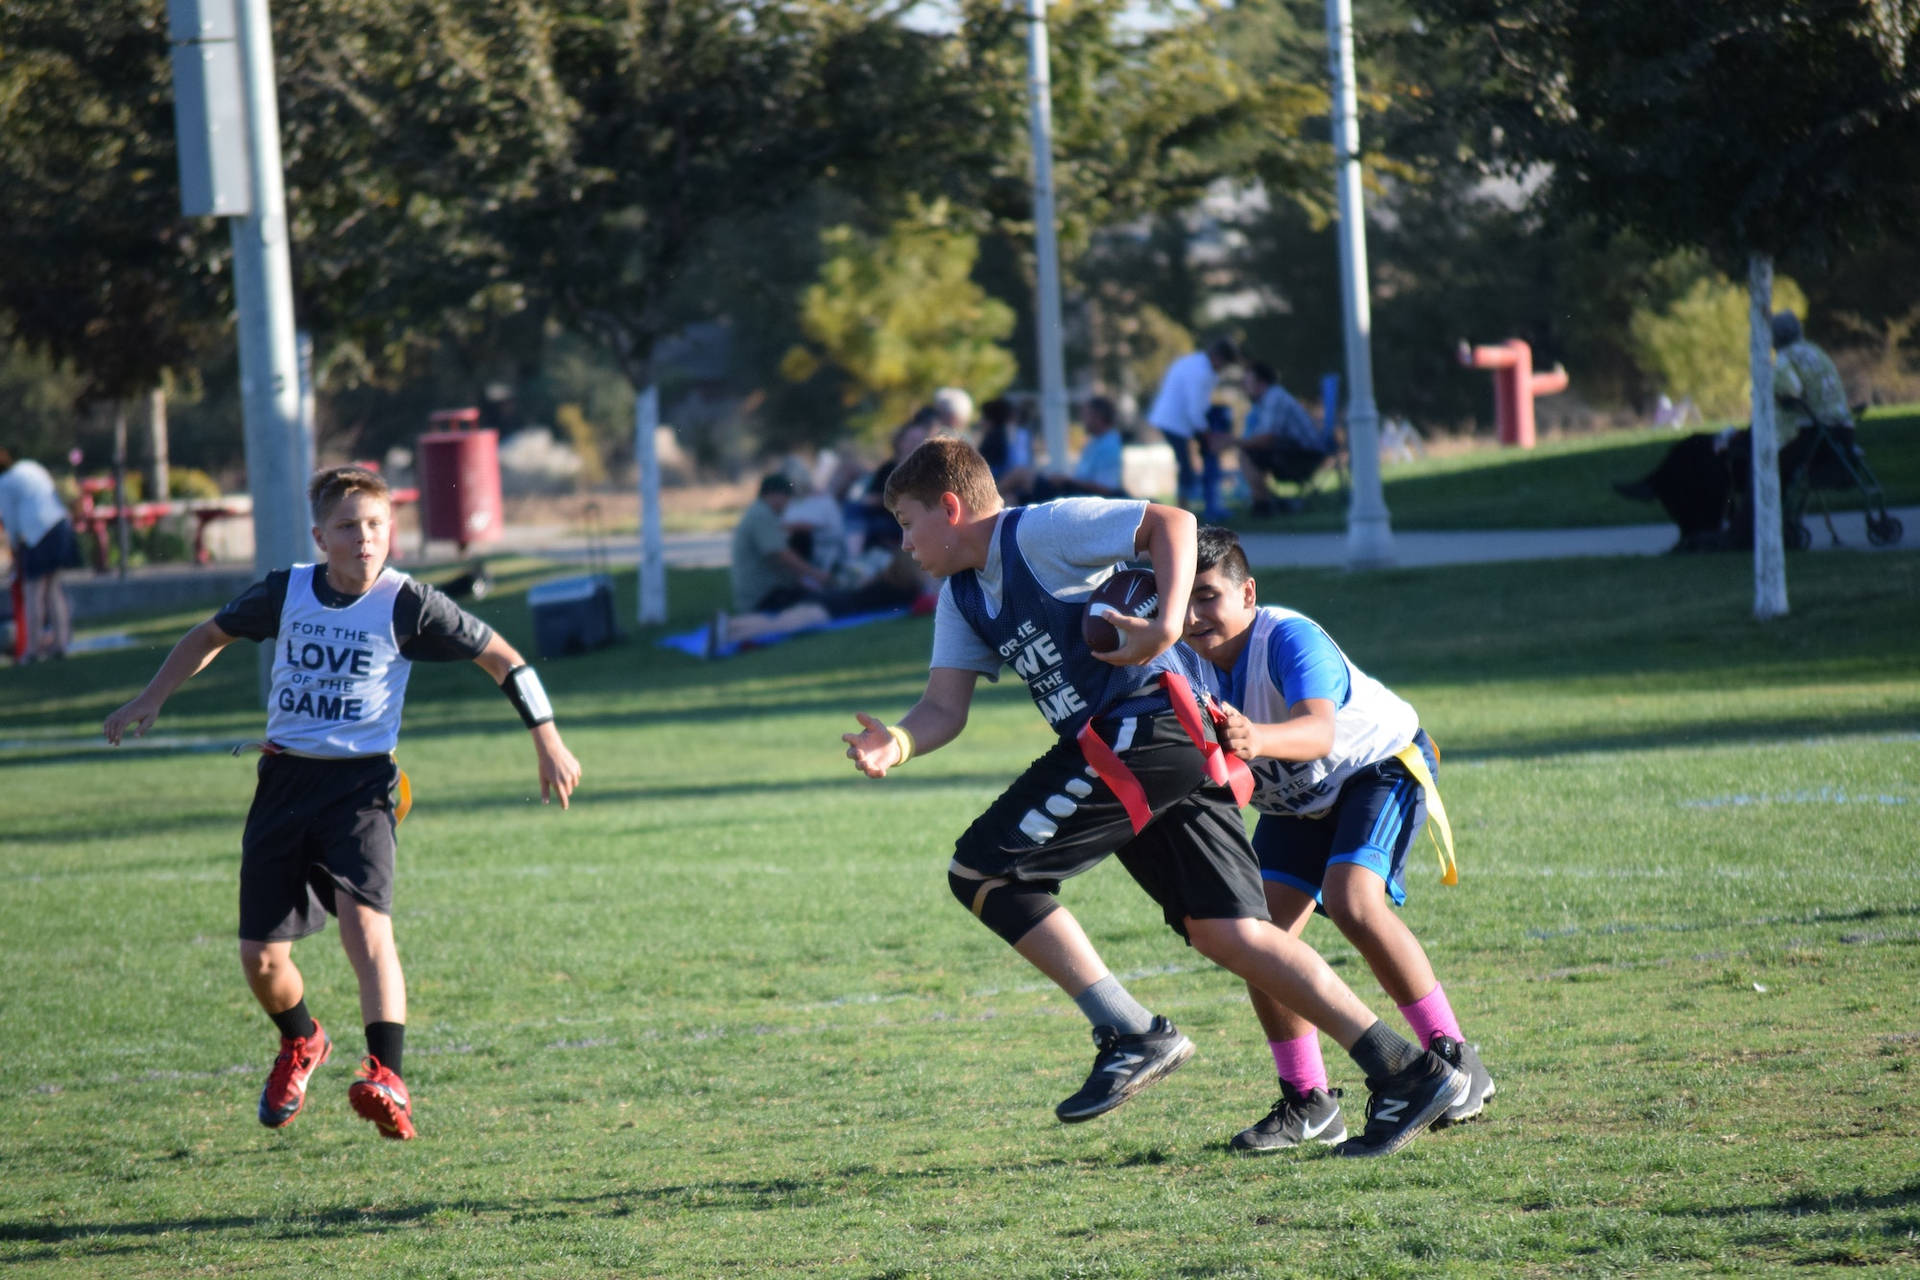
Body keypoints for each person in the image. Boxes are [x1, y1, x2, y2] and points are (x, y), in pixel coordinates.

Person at [840, 437, 1467, 1157]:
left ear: (951, 508)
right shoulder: (960, 595)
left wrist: (1168, 623)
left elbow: (1170, 522)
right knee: (1229, 933)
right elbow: (943, 708)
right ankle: (1407, 1071)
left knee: (985, 870)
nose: (905, 542)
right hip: (1156, 746)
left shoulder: (1038, 532)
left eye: (907, 521)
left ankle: (1131, 1032)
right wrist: (898, 740)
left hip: (1148, 724)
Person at [100, 465, 581, 1140]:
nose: (365, 539)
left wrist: (548, 739)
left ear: (392, 532)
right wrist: (151, 696)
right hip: (284, 784)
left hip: (362, 788)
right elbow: (208, 635)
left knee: (366, 928)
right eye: (350, 527)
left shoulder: (407, 603)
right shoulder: (286, 591)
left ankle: (388, 1075)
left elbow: (505, 659)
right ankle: (302, 1040)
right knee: (261, 960)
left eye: (377, 525)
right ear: (321, 535)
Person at [1183, 526, 1493, 1152]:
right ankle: (1310, 1100)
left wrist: (1254, 741)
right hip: (1298, 799)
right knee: (1257, 937)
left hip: (1376, 767)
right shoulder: (1183, 662)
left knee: (1353, 900)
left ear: (1248, 593)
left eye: (1208, 597)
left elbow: (1319, 733)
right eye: (1180, 600)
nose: (1192, 616)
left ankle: (1456, 1062)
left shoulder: (1288, 637)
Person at [1613, 312, 1854, 550]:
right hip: (1833, 434)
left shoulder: (1785, 360)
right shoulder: (1815, 353)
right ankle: (1655, 485)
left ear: (1774, 339)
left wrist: (1769, 396)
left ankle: (1680, 506)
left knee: (1699, 448)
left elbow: (1790, 391)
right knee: (1701, 445)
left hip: (1800, 438)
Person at [0, 446, 82, 663]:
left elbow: (10, 521)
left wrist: (15, 549)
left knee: (33, 593)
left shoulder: (5, 483)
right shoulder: (30, 465)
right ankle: (61, 644)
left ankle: (32, 650)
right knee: (53, 589)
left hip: (37, 535)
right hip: (60, 526)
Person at [1146, 338, 1237, 517]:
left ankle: (1186, 509)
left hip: (1172, 420)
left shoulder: (1194, 362)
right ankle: (1182, 512)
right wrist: (1206, 433)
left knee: (1186, 465)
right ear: (1218, 358)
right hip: (1175, 422)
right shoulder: (1202, 372)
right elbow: (1195, 409)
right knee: (1186, 467)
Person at [1232, 363, 1333, 517]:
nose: (1245, 387)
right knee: (1250, 452)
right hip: (1294, 451)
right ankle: (1266, 503)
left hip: (1305, 456)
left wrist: (1232, 441)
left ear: (1261, 383)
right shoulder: (1265, 401)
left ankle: (1263, 505)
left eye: (1248, 382)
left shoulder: (1274, 398)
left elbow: (1267, 438)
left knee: (1246, 453)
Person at [999, 396, 1128, 503]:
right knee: (1013, 497)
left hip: (1081, 496)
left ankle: (986, 502)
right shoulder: (1096, 441)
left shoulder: (1109, 445)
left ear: (1098, 417)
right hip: (1073, 490)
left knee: (1021, 474)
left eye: (1086, 416)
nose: (1083, 421)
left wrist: (1067, 480)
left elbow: (1106, 488)